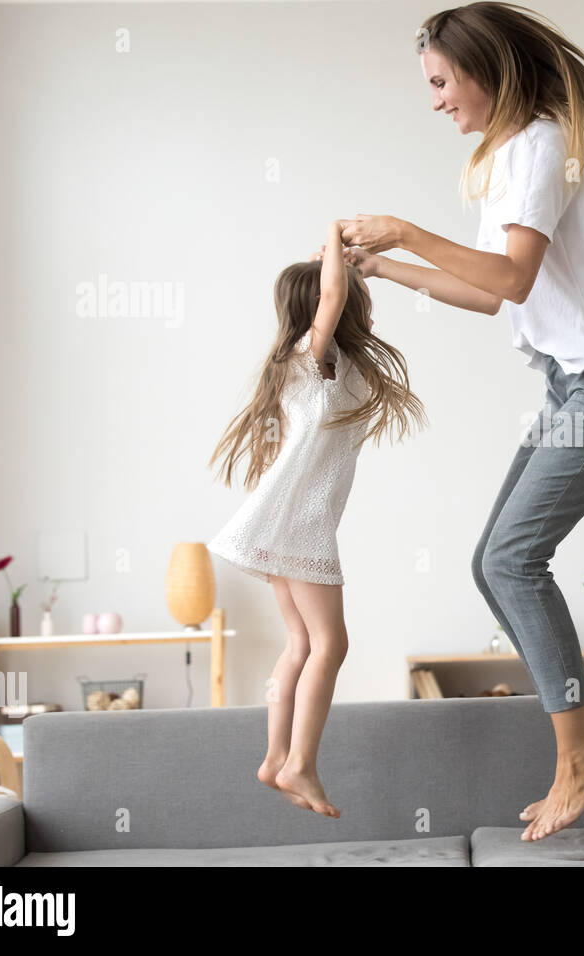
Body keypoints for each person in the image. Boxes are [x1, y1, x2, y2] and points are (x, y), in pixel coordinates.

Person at [338, 2, 584, 841]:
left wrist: (409, 230)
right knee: (492, 566)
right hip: (573, 387)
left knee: (515, 558)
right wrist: (389, 265)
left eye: (443, 82)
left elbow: (514, 277)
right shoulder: (512, 156)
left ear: (487, 70)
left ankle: (582, 756)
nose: (438, 100)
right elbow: (489, 291)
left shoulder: (546, 145)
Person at [207, 220, 426, 817]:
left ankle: (276, 758)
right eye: (361, 304)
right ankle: (301, 762)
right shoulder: (311, 358)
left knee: (301, 643)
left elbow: (332, 294)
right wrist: (335, 236)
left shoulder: (323, 367)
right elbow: (331, 296)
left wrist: (346, 263)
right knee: (331, 643)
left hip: (281, 526)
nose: (366, 313)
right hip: (300, 526)